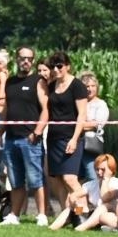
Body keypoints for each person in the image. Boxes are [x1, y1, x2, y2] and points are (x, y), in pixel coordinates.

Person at [0, 46, 50, 227]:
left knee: (36, 179)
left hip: (30, 139)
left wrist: (37, 132)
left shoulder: (39, 81)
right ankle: (14, 215)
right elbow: (6, 109)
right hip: (11, 138)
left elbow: (46, 110)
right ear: (17, 59)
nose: (26, 61)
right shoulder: (10, 82)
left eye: (29, 58)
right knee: (15, 180)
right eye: (22, 58)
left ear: (33, 61)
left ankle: (42, 215)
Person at [43, 50, 89, 224]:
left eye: (59, 66)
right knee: (60, 181)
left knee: (70, 178)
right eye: (53, 66)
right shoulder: (51, 86)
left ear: (67, 66)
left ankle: (82, 214)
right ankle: (67, 216)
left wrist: (74, 139)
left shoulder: (77, 86)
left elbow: (82, 114)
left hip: (70, 137)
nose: (56, 69)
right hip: (53, 138)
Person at [56, 153, 118, 232]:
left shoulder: (117, 183)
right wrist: (76, 203)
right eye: (97, 169)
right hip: (93, 216)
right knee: (72, 208)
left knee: (103, 207)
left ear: (111, 170)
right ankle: (52, 228)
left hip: (110, 216)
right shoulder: (91, 184)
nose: (99, 172)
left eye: (103, 170)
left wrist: (105, 180)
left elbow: (105, 198)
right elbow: (74, 195)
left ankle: (81, 227)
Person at [79, 71, 108, 187]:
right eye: (87, 86)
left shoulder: (101, 104)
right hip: (76, 144)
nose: (90, 89)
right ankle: (80, 200)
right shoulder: (79, 103)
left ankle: (98, 198)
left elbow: (97, 123)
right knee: (77, 178)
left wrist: (79, 126)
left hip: (91, 147)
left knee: (93, 177)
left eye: (93, 86)